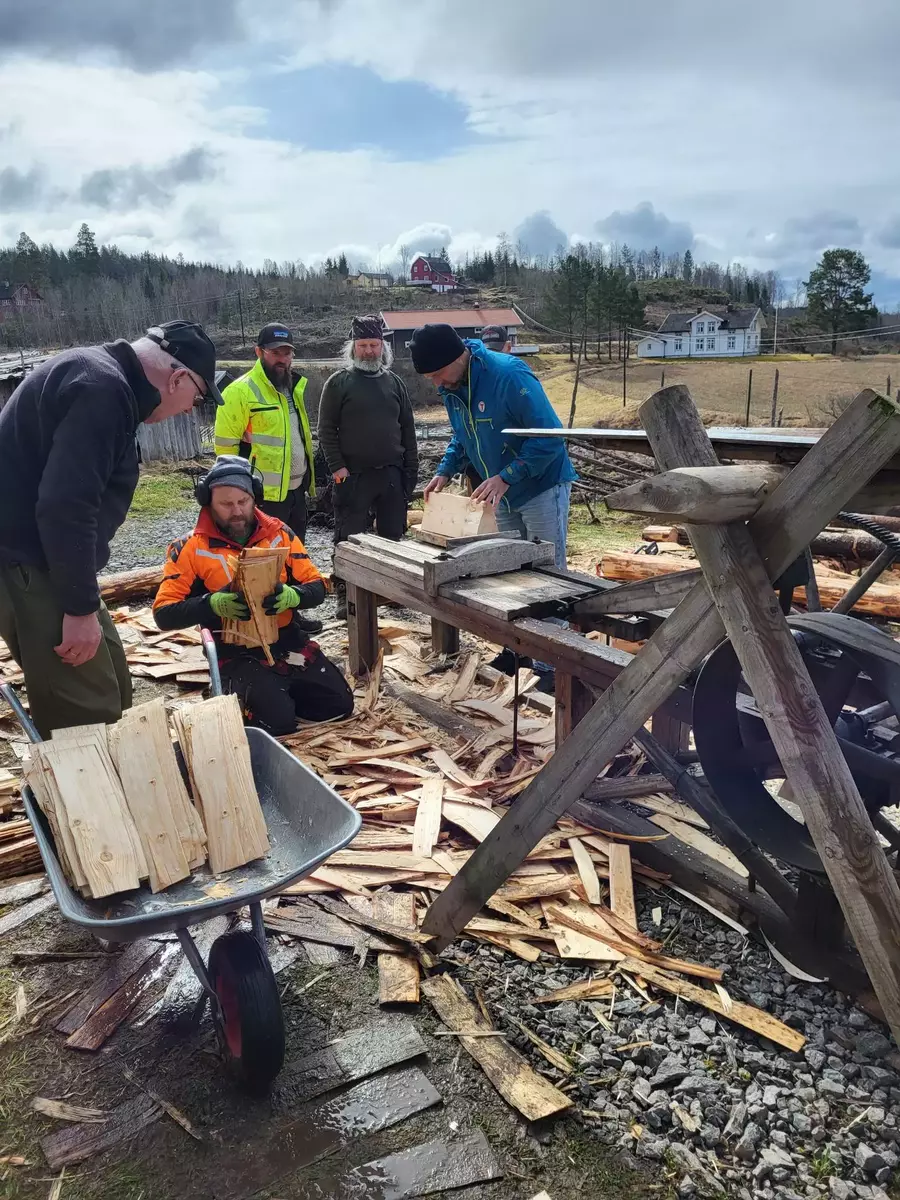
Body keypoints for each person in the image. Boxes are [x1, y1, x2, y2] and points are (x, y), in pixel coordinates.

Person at [0, 320, 222, 737]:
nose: (192, 408)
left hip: (47, 560)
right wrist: (79, 608)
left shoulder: (104, 378)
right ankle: (84, 798)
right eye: (197, 397)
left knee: (113, 682)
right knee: (84, 708)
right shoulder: (103, 389)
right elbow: (66, 506)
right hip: (27, 563)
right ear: (177, 378)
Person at [411, 322, 576, 689]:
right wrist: (445, 470)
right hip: (498, 493)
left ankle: (552, 665)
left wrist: (506, 477)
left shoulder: (508, 375)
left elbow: (550, 438)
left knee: (550, 574)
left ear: (458, 357)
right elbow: (461, 435)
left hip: (540, 487)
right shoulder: (453, 385)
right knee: (508, 575)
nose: (436, 383)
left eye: (438, 373)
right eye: (430, 377)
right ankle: (517, 651)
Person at [153, 456, 352, 735]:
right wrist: (211, 604)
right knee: (277, 724)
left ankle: (276, 692)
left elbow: (317, 586)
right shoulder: (189, 547)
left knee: (339, 706)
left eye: (243, 501)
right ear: (208, 502)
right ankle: (247, 694)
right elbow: (163, 614)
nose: (236, 511)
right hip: (233, 649)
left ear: (254, 497)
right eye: (225, 503)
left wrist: (294, 596)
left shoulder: (279, 533)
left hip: (285, 639)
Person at [318, 314, 418, 618]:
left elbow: (408, 429)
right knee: (348, 537)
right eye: (363, 345)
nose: (369, 351)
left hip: (391, 474)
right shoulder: (339, 383)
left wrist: (410, 471)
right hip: (353, 476)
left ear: (382, 346)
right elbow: (325, 430)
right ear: (353, 347)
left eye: (374, 344)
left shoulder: (394, 383)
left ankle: (392, 591)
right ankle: (344, 594)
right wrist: (337, 468)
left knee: (392, 536)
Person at [215, 322, 316, 539]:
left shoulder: (293, 388)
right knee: (262, 557)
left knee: (295, 555)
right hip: (262, 496)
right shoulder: (239, 391)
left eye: (287, 353)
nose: (282, 358)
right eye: (275, 352)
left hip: (297, 492)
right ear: (258, 352)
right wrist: (236, 493)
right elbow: (225, 448)